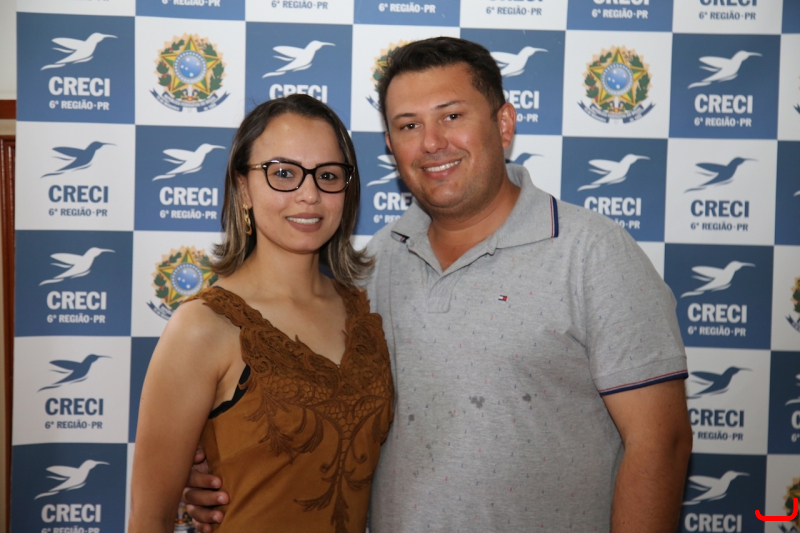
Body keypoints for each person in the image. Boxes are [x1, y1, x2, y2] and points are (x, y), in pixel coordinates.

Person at [184, 37, 693, 533]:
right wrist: (225, 470)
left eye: (451, 116)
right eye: (409, 125)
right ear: (391, 146)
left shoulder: (592, 252)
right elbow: (321, 419)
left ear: (504, 123)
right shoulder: (373, 264)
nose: (431, 142)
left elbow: (661, 441)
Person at [129, 94, 394, 533]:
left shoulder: (364, 310)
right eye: (283, 173)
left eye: (328, 175)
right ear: (243, 188)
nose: (309, 194)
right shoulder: (202, 327)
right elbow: (148, 519)